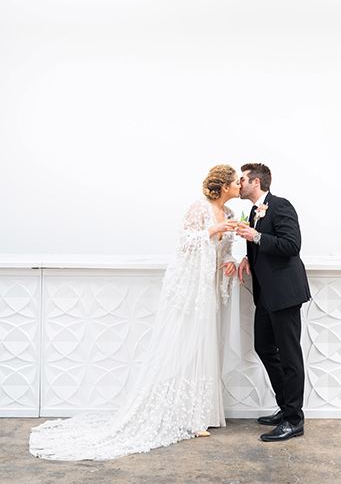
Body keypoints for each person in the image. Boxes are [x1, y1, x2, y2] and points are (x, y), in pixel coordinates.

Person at [29, 165, 240, 460]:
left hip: (209, 289)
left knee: (204, 347)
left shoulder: (230, 215)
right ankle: (184, 417)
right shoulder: (199, 208)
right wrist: (212, 229)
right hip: (191, 291)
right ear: (224, 185)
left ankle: (202, 414)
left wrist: (229, 260)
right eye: (235, 182)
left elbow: (223, 250)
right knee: (183, 345)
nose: (239, 186)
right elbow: (184, 242)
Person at [237, 163, 311, 442]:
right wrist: (248, 256)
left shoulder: (280, 205)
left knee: (290, 354)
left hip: (285, 292)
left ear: (256, 182)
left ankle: (294, 420)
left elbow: (292, 245)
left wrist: (255, 236)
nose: (239, 183)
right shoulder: (255, 212)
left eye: (242, 179)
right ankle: (285, 407)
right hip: (266, 294)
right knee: (264, 346)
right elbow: (263, 247)